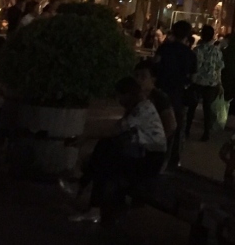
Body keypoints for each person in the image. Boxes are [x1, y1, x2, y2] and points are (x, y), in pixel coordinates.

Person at [66, 76, 167, 224]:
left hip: (150, 161)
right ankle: (89, 199)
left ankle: (86, 194)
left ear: (128, 94)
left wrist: (87, 136)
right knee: (105, 151)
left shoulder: (142, 109)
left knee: (104, 156)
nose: (118, 100)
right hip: (144, 156)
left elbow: (116, 130)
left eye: (120, 96)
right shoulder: (141, 107)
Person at [152, 20, 197, 164]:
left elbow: (154, 65)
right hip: (179, 93)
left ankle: (155, 153)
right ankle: (173, 158)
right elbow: (193, 77)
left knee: (158, 123)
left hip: (161, 90)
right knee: (177, 126)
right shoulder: (190, 54)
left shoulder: (164, 48)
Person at [187, 24, 224, 140]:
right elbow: (219, 68)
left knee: (192, 107)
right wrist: (220, 83)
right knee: (207, 109)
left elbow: (193, 67)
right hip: (212, 83)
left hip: (197, 82)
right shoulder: (217, 51)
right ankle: (206, 133)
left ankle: (187, 130)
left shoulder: (197, 50)